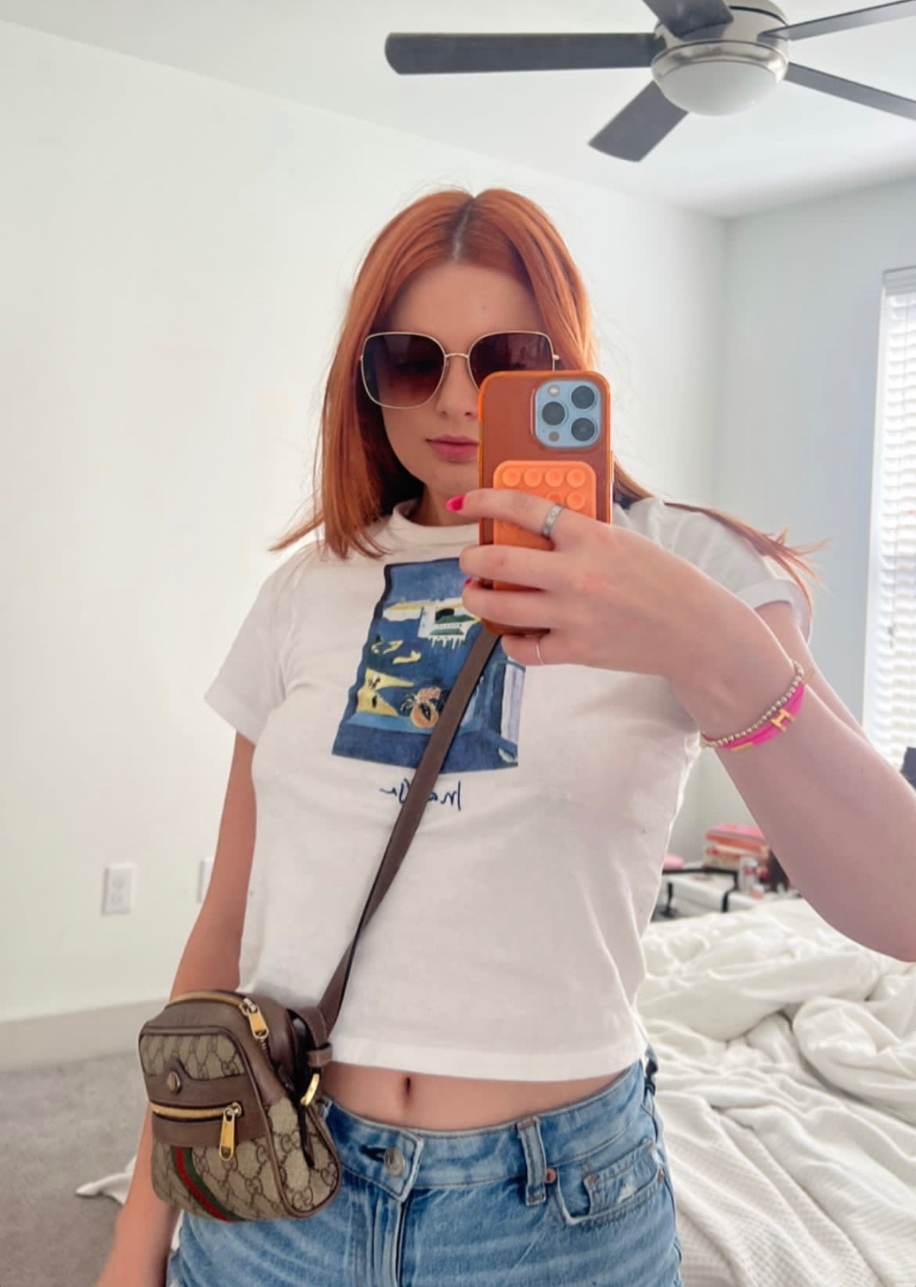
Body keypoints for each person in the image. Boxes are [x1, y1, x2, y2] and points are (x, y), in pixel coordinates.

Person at [96, 187, 916, 1287]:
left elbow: (900, 904)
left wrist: (710, 643)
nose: (455, 397)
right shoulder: (306, 589)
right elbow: (223, 933)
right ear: (364, 380)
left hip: (555, 1212)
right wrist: (135, 1243)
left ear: (563, 368)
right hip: (277, 1189)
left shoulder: (682, 566)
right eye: (410, 361)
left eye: (505, 360)